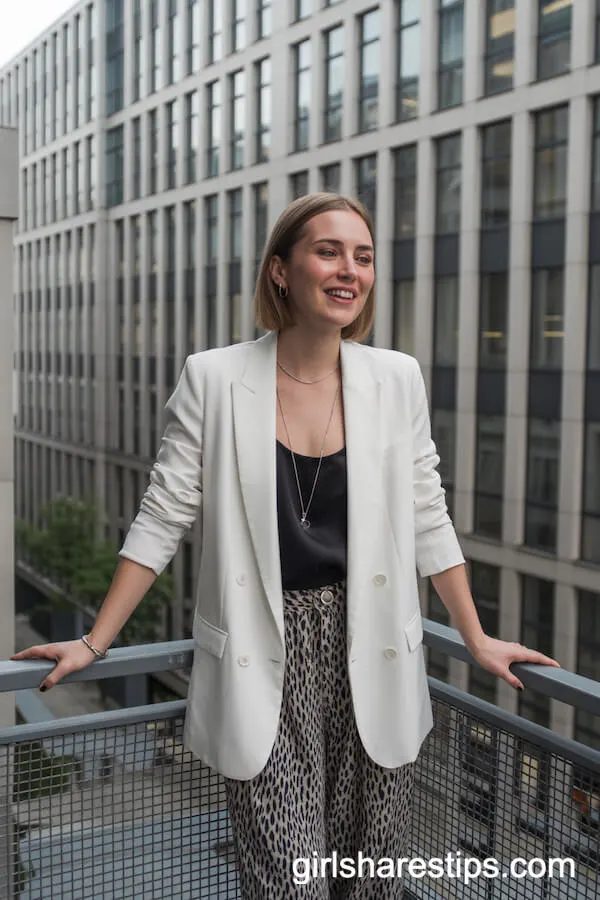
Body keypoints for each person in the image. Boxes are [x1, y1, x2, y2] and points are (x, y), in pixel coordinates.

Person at [11, 193, 561, 898]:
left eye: (362, 257)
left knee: (367, 879)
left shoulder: (396, 379)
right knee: (288, 883)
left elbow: (429, 515)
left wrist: (477, 638)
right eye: (328, 251)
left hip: (371, 650)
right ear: (281, 269)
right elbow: (163, 515)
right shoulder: (213, 378)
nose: (349, 271)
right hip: (261, 650)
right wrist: (94, 641)